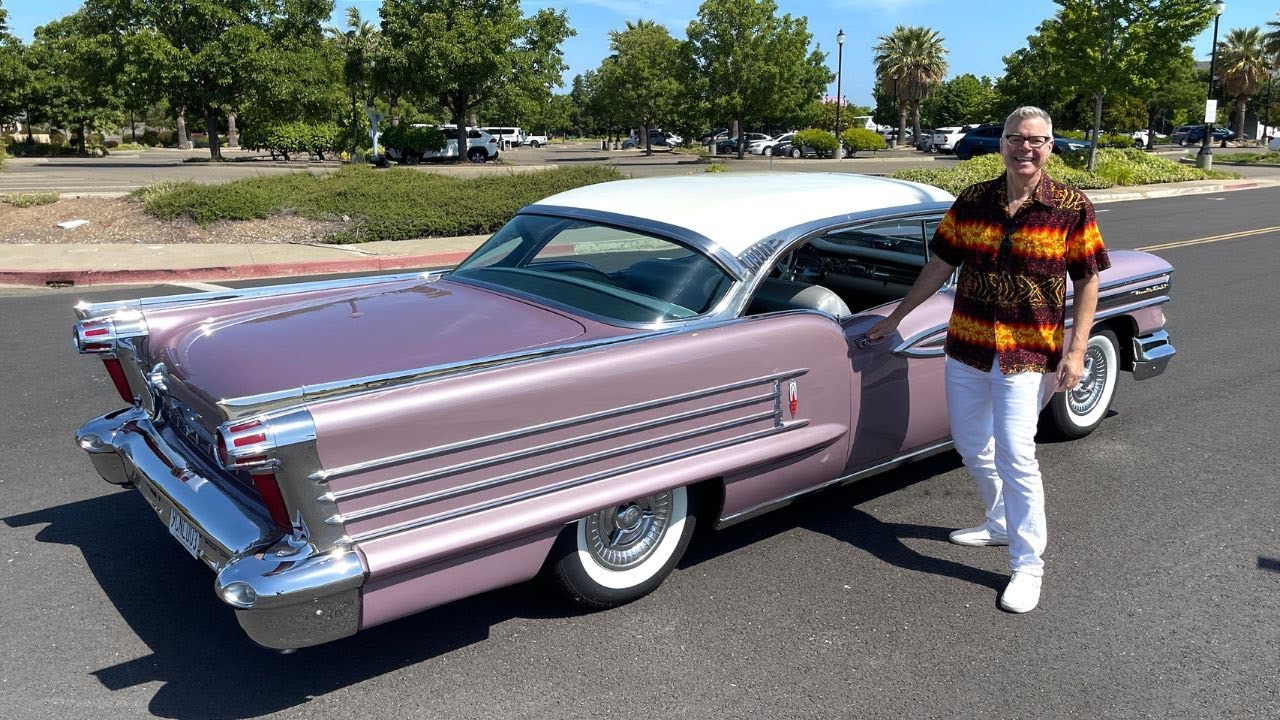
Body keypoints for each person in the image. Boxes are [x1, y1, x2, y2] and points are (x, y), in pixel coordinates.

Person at [866, 106, 1110, 613]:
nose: (1026, 147)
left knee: (1017, 453)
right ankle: (999, 522)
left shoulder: (1070, 205)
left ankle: (1027, 564)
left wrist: (1078, 349)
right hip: (970, 344)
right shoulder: (973, 201)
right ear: (1000, 143)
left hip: (1026, 348)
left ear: (1050, 146)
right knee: (972, 442)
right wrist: (896, 317)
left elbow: (1088, 279)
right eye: (1017, 138)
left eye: (1037, 140)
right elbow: (940, 264)